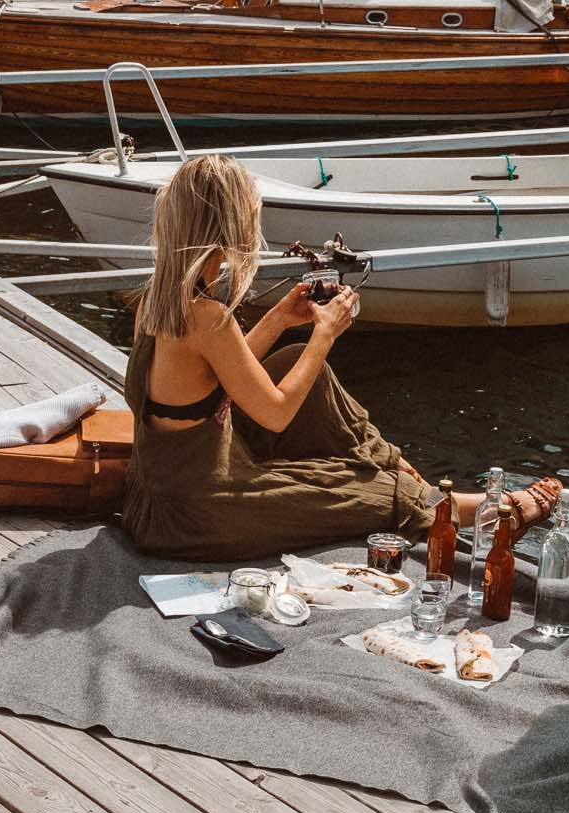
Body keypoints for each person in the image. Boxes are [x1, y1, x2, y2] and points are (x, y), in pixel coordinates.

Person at [120, 153, 434, 560]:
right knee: (382, 497)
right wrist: (325, 332)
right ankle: (472, 506)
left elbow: (209, 379)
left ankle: (385, 463)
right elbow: (276, 413)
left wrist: (280, 318)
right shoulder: (207, 315)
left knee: (294, 359)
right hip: (198, 514)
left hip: (153, 499)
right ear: (233, 225)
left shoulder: (157, 303)